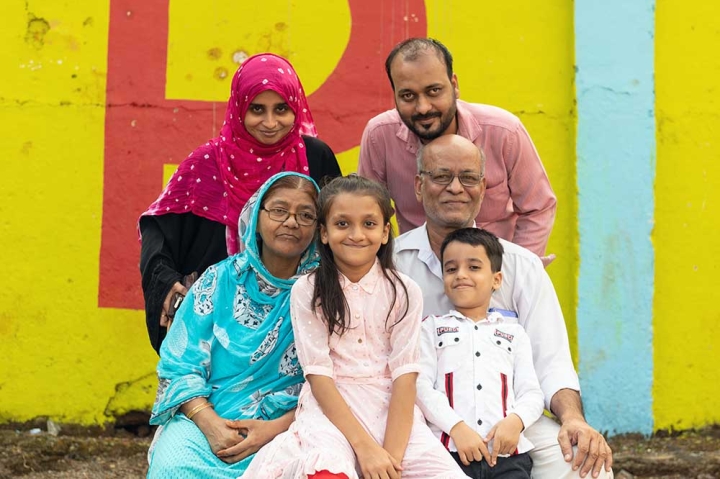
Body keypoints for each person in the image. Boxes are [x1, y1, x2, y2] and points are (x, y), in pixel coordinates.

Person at [395, 135, 613, 479]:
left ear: (482, 188)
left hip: (507, 422)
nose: (455, 187)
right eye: (441, 176)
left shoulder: (519, 265)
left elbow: (551, 361)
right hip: (417, 420)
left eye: (468, 177)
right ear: (419, 186)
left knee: (583, 465)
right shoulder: (392, 263)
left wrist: (573, 419)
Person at [241, 175, 465, 479]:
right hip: (331, 410)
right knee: (328, 471)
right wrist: (365, 448)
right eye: (342, 224)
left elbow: (404, 376)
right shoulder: (308, 290)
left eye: (369, 224)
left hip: (392, 410)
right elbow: (318, 375)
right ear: (323, 232)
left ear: (386, 232)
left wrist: (391, 458)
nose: (356, 234)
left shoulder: (405, 290)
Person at [139, 53, 342, 354]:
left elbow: (337, 225)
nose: (270, 123)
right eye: (257, 109)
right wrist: (165, 282)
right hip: (217, 322)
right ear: (239, 108)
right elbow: (159, 229)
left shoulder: (314, 157)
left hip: (297, 316)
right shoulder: (207, 163)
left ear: (295, 107)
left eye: (282, 109)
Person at [146, 172, 321, 478]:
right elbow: (180, 364)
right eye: (279, 210)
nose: (292, 222)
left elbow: (342, 379)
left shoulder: (324, 293)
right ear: (256, 215)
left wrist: (276, 429)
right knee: (174, 468)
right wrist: (210, 424)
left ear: (319, 227)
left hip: (291, 427)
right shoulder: (219, 280)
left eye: (306, 215)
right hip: (206, 417)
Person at [358, 37, 556, 261]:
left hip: (493, 274)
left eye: (434, 91)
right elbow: (367, 213)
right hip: (416, 276)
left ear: (455, 85)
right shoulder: (379, 136)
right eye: (408, 96)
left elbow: (538, 207)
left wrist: (514, 271)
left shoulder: (503, 132)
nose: (423, 107)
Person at [417, 227, 544, 478]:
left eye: (473, 267)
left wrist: (516, 421)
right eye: (451, 269)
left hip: (508, 456)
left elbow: (532, 392)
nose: (461, 275)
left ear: (496, 279)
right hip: (448, 453)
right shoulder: (431, 328)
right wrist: (456, 428)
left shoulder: (514, 334)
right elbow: (420, 386)